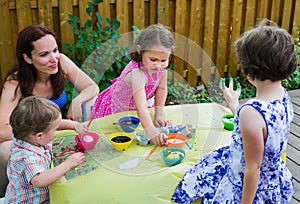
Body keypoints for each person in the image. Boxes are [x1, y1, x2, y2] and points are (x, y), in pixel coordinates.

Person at [171, 19, 297, 203]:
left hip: (249, 186)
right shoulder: (283, 95)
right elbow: (263, 129)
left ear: (249, 68)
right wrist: (234, 104)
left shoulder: (251, 113)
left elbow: (253, 168)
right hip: (274, 179)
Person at [0, 25, 99, 197]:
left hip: (52, 131)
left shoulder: (61, 62)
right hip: (30, 138)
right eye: (44, 54)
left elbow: (92, 87)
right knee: (5, 150)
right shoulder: (15, 82)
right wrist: (36, 135)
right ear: (28, 58)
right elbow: (2, 130)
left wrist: (78, 100)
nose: (54, 58)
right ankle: (19, 191)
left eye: (55, 50)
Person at [92, 24, 174, 146]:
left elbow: (161, 90)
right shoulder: (137, 73)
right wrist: (153, 134)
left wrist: (159, 115)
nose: (158, 65)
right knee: (116, 142)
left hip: (135, 111)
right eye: (153, 59)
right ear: (140, 50)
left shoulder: (161, 69)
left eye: (163, 60)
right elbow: (141, 106)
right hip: (117, 110)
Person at [4, 96, 86, 203]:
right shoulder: (26, 156)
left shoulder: (29, 135)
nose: (57, 129)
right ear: (39, 135)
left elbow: (55, 123)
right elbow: (39, 180)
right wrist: (67, 164)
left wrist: (74, 125)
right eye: (55, 129)